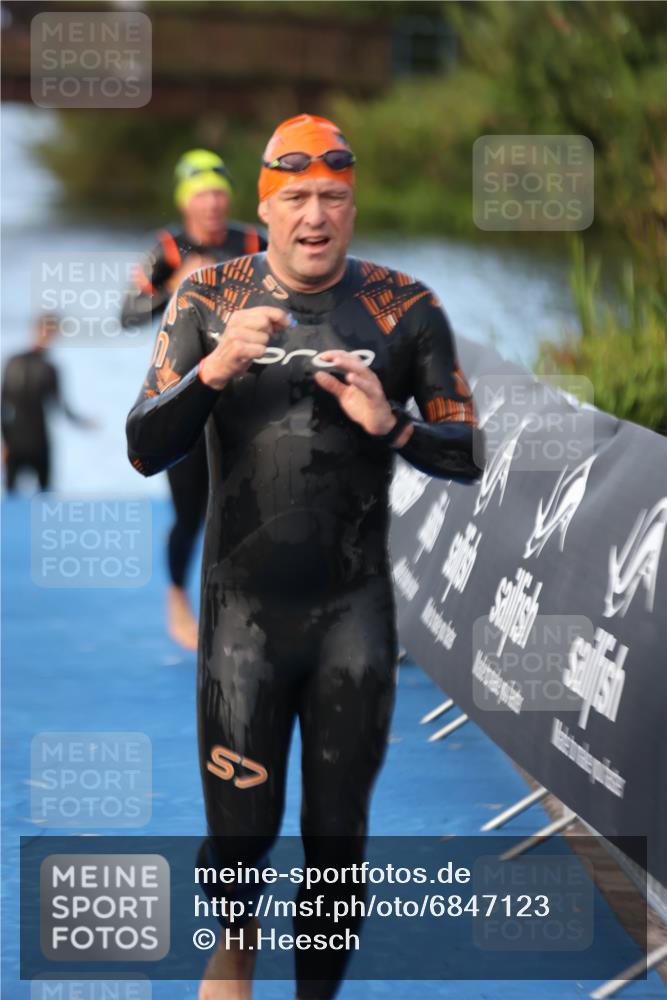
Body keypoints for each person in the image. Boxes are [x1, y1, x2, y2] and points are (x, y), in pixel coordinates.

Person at [126, 114, 484, 1000]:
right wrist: (209, 376)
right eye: (296, 198)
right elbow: (142, 446)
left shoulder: (405, 306)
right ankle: (236, 937)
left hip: (352, 620)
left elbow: (465, 452)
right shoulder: (208, 300)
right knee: (241, 837)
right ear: (266, 207)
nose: (315, 215)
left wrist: (389, 424)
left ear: (352, 207)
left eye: (332, 197)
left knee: (337, 842)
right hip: (241, 617)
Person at [121, 148, 267, 650]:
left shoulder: (252, 241)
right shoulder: (165, 248)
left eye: (220, 195)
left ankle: (244, 603)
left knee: (255, 502)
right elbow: (127, 312)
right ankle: (177, 597)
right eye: (203, 196)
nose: (212, 205)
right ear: (186, 203)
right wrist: (174, 290)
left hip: (247, 394)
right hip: (185, 393)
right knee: (190, 512)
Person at [2, 313, 94, 492]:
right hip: (20, 441)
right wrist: (4, 442)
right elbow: (3, 404)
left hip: (34, 440)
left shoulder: (47, 367)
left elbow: (62, 407)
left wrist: (84, 422)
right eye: (46, 330)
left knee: (41, 500)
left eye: (52, 331)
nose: (48, 335)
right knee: (14, 499)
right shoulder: (19, 363)